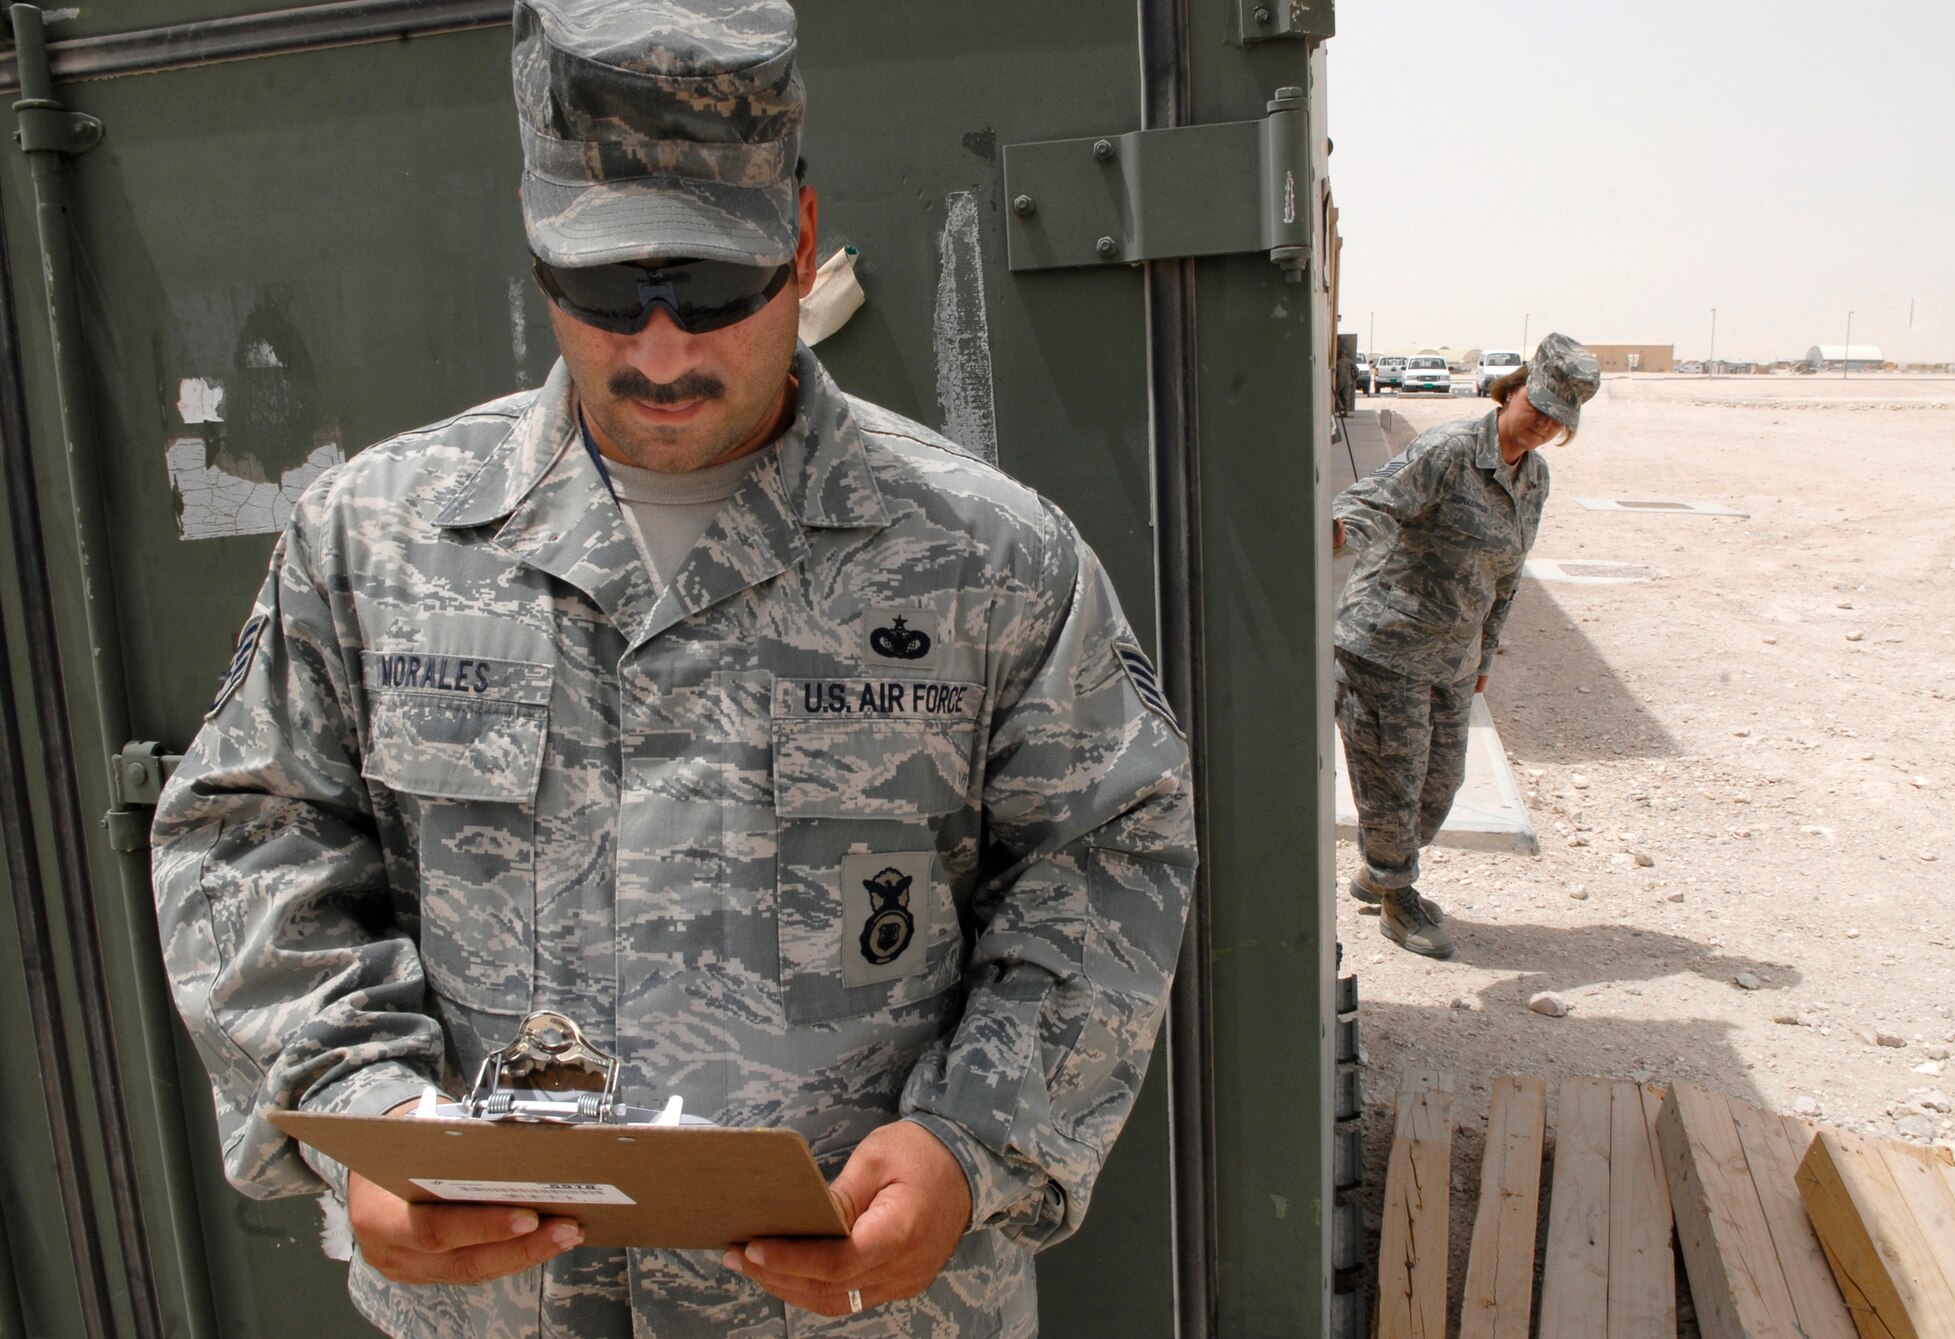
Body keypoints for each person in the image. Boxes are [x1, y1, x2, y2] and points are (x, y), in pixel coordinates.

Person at [149, 4, 1197, 1336]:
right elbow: (248, 833)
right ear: (536, 256)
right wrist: (366, 1109)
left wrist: (974, 1139)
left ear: (800, 242)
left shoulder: (988, 556)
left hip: (857, 1312)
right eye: (603, 291)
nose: (656, 348)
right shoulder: (375, 536)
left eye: (708, 291)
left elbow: (1110, 853)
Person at [1329, 333, 1598, 959]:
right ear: (1511, 391)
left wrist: (1487, 653)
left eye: (1558, 421)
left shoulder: (1534, 479)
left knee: (1439, 787)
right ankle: (1397, 901)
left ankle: (1380, 870)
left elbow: (1508, 572)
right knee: (1393, 782)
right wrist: (1336, 533)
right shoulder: (1450, 450)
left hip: (1453, 656)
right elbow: (1374, 502)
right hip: (1385, 643)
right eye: (1539, 408)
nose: (1543, 425)